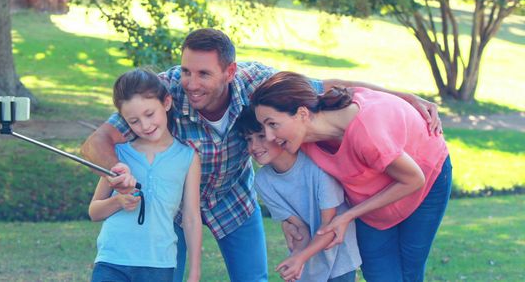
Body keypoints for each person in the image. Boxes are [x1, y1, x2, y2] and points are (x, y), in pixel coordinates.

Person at [81, 28, 442, 282]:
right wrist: (122, 171)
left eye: (204, 73)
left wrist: (404, 97)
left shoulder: (258, 83)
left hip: (234, 201)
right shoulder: (165, 91)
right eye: (187, 70)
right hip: (172, 210)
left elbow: (330, 86)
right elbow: (97, 141)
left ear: (230, 72)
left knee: (253, 278)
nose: (191, 82)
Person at [250, 71, 452, 282]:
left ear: (302, 114)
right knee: (378, 273)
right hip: (373, 198)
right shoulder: (306, 120)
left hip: (426, 179)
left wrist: (347, 216)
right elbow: (339, 83)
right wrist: (288, 220)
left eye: (272, 124)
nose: (270, 137)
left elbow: (414, 179)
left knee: (409, 270)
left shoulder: (366, 135)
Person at [88, 69, 202, 282]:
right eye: (134, 121)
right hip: (112, 262)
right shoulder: (118, 155)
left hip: (159, 264)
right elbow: (94, 212)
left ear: (166, 103)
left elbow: (192, 218)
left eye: (149, 114)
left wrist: (194, 273)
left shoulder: (188, 158)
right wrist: (118, 201)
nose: (145, 126)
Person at [235, 108, 361, 282]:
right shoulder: (262, 181)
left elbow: (330, 227)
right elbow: (299, 228)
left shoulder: (317, 166)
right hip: (309, 264)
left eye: (261, 136)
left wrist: (300, 258)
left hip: (340, 259)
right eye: (248, 140)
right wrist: (295, 257)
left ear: (276, 134)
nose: (253, 147)